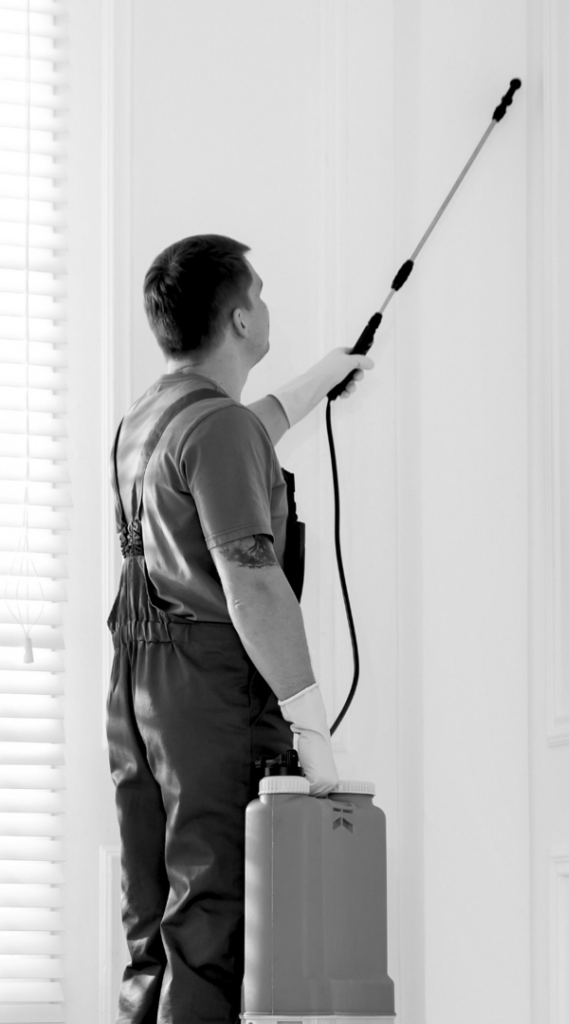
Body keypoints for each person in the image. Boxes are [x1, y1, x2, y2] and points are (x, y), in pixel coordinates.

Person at [105, 233, 374, 1024]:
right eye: (261, 291)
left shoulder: (145, 421)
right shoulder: (216, 430)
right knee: (210, 925)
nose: (267, 304)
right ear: (240, 315)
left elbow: (244, 430)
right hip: (208, 696)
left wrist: (324, 379)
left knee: (153, 926)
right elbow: (253, 583)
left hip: (137, 695)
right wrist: (311, 719)